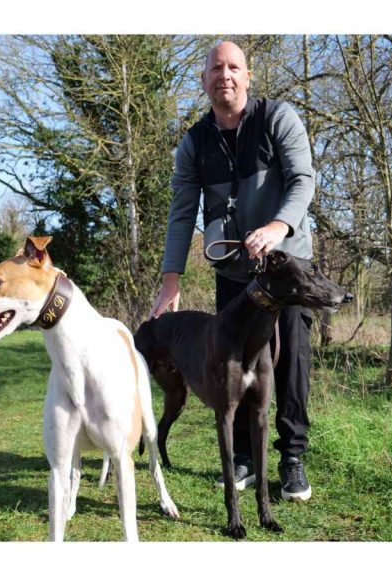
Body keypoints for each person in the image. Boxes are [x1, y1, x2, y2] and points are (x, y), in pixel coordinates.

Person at [149, 41, 317, 501]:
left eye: (234, 67)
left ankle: (292, 458)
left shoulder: (278, 119)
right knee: (233, 364)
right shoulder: (193, 143)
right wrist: (171, 280)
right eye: (216, 68)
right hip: (237, 275)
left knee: (291, 363)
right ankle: (243, 456)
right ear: (204, 80)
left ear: (248, 76)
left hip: (287, 270)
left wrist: (279, 226)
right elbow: (182, 213)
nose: (225, 75)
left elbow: (303, 180)